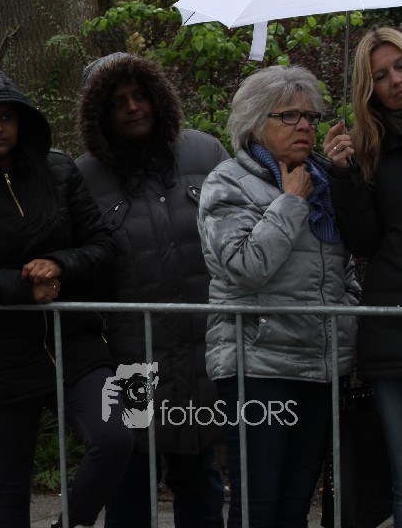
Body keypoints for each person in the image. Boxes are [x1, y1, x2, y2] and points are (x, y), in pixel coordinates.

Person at [0, 66, 132, 528]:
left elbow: (102, 245)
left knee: (116, 436)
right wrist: (22, 286)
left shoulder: (58, 168)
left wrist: (59, 263)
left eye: (6, 117)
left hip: (74, 342)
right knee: (12, 483)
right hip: (0, 353)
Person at [197, 65, 359, 528]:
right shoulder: (228, 182)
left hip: (321, 365)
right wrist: (290, 202)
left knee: (295, 507)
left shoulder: (324, 180)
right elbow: (243, 267)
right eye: (289, 115)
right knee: (257, 506)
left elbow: (345, 270)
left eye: (310, 116)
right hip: (258, 365)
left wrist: (344, 318)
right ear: (255, 122)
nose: (304, 125)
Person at [75, 53, 227, 528]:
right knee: (130, 477)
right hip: (128, 354)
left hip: (200, 347)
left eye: (140, 95)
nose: (133, 107)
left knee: (199, 474)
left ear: (158, 96)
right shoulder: (81, 177)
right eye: (118, 101)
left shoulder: (205, 153)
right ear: (98, 113)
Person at [323, 26, 402, 526]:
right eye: (382, 75)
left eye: (401, 66)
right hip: (393, 328)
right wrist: (344, 175)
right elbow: (365, 243)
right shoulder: (367, 149)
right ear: (368, 88)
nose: (396, 80)